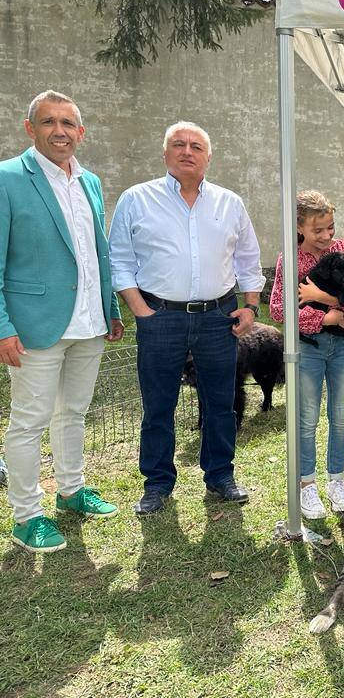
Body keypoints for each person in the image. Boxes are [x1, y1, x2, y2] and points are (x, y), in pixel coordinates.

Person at [108, 121, 265, 516]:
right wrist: (141, 311)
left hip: (219, 318)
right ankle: (158, 483)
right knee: (158, 404)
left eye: (196, 146)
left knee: (221, 402)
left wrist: (251, 306)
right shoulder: (136, 199)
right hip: (160, 316)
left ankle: (220, 475)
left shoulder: (230, 203)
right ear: (165, 154)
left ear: (208, 157)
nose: (187, 151)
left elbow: (248, 258)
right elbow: (120, 260)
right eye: (178, 144)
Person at [1, 90, 124, 553]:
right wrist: (2, 326)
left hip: (89, 322)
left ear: (81, 132)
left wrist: (110, 308)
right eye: (49, 122)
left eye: (68, 123)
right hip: (34, 325)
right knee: (29, 422)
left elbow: (99, 252)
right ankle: (26, 515)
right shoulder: (9, 179)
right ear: (29, 127)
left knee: (73, 413)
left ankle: (71, 490)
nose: (60, 131)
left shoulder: (89, 181)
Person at [270, 190, 344, 518]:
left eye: (330, 227)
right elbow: (279, 308)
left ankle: (336, 481)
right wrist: (324, 318)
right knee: (307, 417)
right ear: (299, 227)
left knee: (340, 415)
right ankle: (306, 485)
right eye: (318, 230)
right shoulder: (290, 259)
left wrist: (326, 299)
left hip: (342, 347)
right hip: (308, 350)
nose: (327, 236)